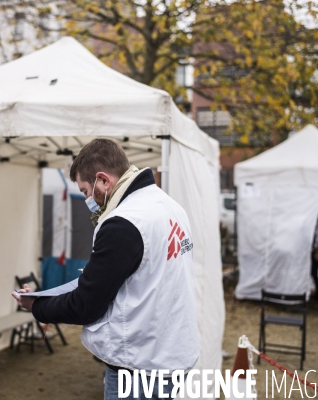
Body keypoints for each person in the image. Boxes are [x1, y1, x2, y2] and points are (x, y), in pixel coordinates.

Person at [13, 139, 199, 399]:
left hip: (138, 371)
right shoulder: (169, 206)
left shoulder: (123, 223)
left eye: (86, 191)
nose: (88, 199)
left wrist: (36, 306)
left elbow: (86, 305)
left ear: (103, 180)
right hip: (171, 359)